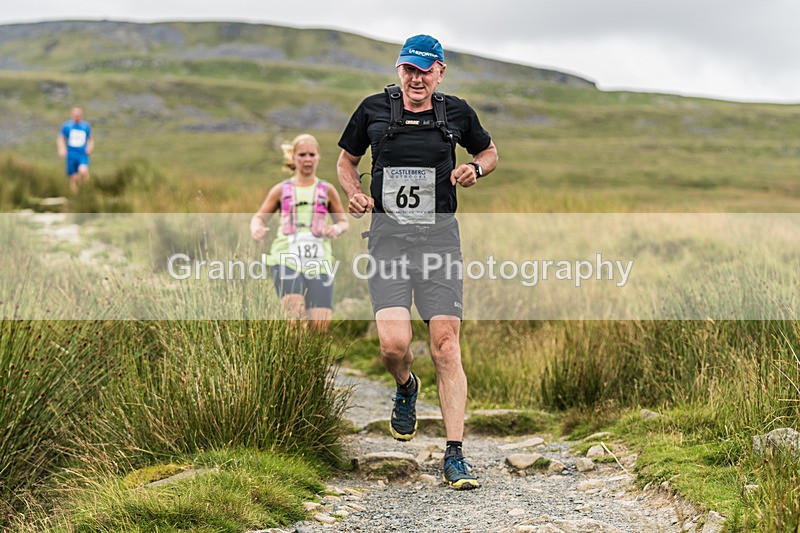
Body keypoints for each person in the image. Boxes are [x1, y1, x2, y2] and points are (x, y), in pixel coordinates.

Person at [337, 34, 498, 489]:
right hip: (388, 243)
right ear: (399, 69)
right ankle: (406, 386)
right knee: (393, 346)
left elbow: (489, 152)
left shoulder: (457, 113)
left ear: (440, 72)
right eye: (409, 69)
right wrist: (354, 192)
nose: (416, 78)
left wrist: (475, 169)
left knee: (446, 345)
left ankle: (455, 453)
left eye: (425, 71)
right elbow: (346, 161)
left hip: (439, 243)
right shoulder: (373, 109)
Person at [251, 134, 348, 332]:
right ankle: (291, 353)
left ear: (318, 157)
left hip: (319, 261)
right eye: (302, 155)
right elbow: (259, 217)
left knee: (319, 326)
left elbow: (343, 221)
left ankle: (310, 354)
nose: (307, 159)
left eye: (312, 154)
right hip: (285, 258)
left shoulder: (327, 190)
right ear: (293, 157)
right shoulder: (280, 190)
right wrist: (256, 228)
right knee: (294, 318)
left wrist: (335, 229)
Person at [57, 107, 94, 194]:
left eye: (78, 115)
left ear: (81, 115)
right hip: (71, 154)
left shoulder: (85, 126)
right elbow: (61, 138)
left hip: (82, 153)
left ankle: (86, 190)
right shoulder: (67, 126)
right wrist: (62, 148)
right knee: (74, 177)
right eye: (75, 115)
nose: (76, 117)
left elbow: (90, 139)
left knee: (83, 171)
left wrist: (90, 147)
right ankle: (75, 195)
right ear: (71, 115)